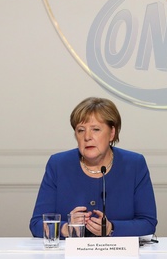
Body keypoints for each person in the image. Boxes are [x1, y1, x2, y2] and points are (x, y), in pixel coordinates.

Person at [29, 97, 157, 238]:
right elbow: (37, 224)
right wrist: (66, 228)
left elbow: (148, 223)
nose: (87, 137)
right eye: (81, 130)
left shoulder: (134, 164)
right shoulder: (58, 164)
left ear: (112, 133)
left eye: (95, 129)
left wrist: (111, 228)